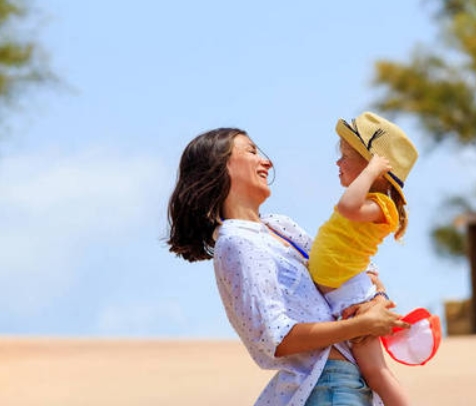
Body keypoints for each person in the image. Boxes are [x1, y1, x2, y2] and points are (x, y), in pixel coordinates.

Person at [166, 127, 410, 405]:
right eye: (251, 151)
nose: (267, 161)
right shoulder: (236, 242)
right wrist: (361, 325)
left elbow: (342, 263)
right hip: (327, 384)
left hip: (353, 380)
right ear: (220, 166)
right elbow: (275, 337)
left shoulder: (279, 226)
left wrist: (377, 297)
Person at [307, 112, 418, 406]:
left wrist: (369, 172)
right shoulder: (370, 202)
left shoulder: (382, 206)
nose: (338, 163)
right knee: (370, 371)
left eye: (346, 156)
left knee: (375, 372)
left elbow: (347, 207)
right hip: (342, 294)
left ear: (375, 168)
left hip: (351, 294)